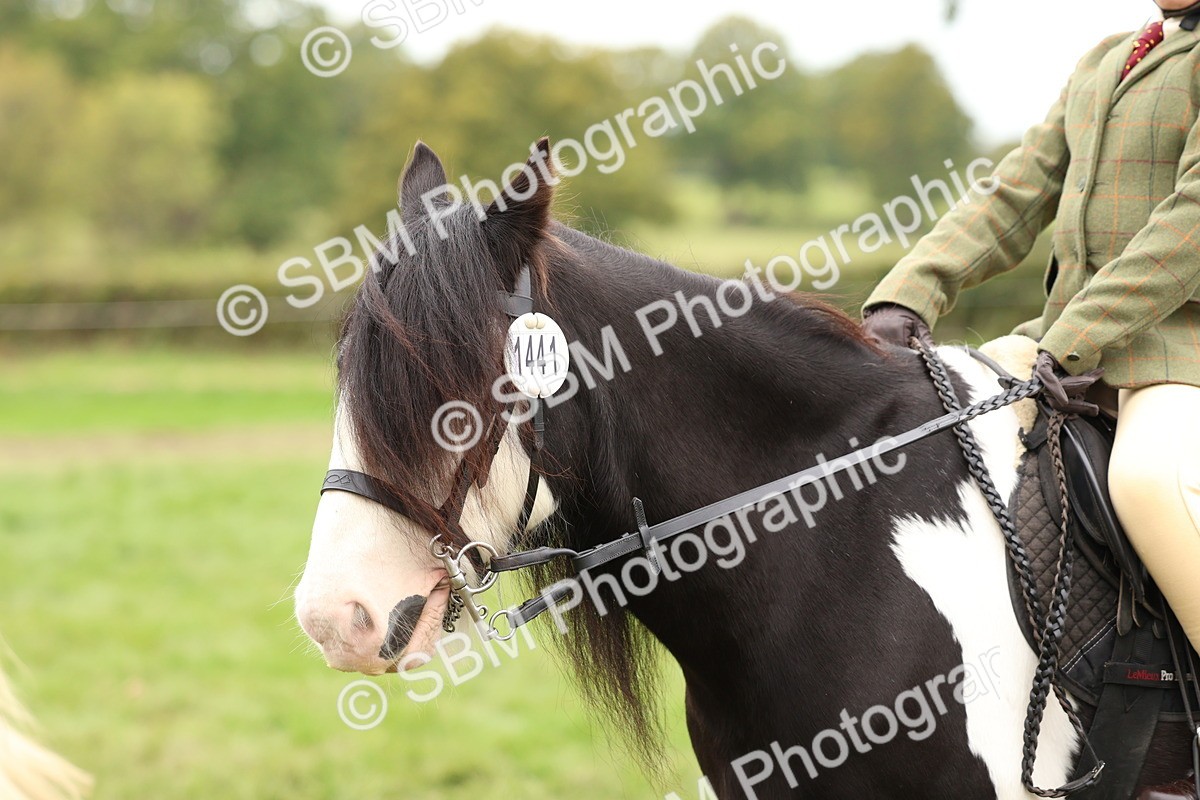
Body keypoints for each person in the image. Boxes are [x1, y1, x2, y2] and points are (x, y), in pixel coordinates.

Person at [861, 0, 1200, 663]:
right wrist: (910, 291)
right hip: (1061, 343)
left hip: (1175, 350)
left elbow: (1188, 227)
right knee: (937, 412)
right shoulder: (1106, 59)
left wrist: (1077, 335)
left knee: (1147, 479)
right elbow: (1014, 192)